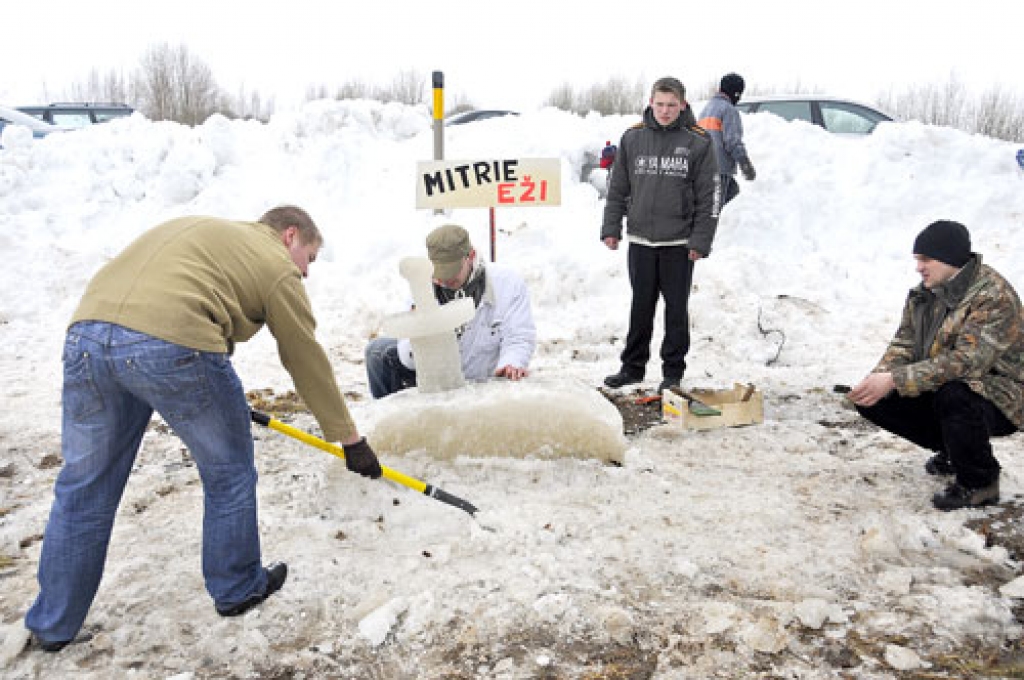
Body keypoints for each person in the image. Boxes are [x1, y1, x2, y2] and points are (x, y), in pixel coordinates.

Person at [25, 207, 383, 652]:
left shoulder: (203, 231)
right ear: (290, 235)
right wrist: (348, 437)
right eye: (309, 257)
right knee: (230, 472)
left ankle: (53, 623)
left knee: (83, 487)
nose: (306, 272)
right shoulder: (276, 266)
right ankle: (236, 587)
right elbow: (303, 354)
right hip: (173, 345)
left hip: (86, 339)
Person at [849, 220, 1023, 511]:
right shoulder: (925, 295)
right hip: (949, 382)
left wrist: (896, 379)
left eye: (925, 259)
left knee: (955, 394)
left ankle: (980, 481)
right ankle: (955, 451)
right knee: (875, 400)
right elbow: (904, 343)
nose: (919, 267)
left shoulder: (993, 297)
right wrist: (879, 377)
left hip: (1004, 394)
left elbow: (968, 362)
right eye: (918, 259)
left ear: (950, 258)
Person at [601, 76, 721, 393]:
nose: (665, 111)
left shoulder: (698, 141)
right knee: (640, 307)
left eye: (671, 105)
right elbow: (617, 189)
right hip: (640, 240)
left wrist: (700, 241)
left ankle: (672, 372)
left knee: (675, 311)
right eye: (659, 104)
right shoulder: (632, 138)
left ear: (682, 105)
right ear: (650, 103)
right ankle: (632, 368)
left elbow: (710, 197)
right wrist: (611, 228)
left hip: (678, 244)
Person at [365, 224, 536, 398]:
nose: (444, 280)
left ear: (470, 256)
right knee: (376, 352)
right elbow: (408, 359)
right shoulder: (422, 288)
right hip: (437, 379)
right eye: (438, 273)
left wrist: (512, 363)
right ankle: (393, 418)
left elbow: (519, 336)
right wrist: (419, 335)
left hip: (482, 383)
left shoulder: (507, 283)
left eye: (451, 273)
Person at [698, 72, 756, 206]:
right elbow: (732, 141)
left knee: (733, 193)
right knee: (714, 210)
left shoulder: (706, 109)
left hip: (703, 167)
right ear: (736, 93)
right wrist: (745, 163)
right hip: (719, 168)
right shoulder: (728, 110)